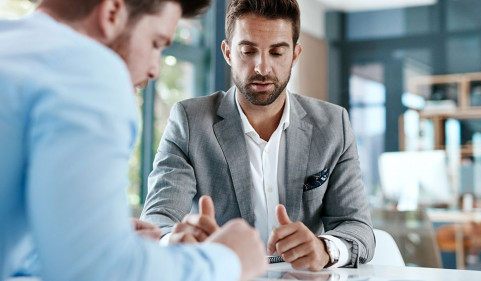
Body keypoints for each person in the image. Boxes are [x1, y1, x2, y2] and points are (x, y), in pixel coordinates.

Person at [0, 0, 267, 280]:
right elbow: (98, 272)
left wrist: (97, 236)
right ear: (112, 13)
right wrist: (228, 260)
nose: (155, 70)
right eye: (156, 43)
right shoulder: (85, 70)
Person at [141, 0, 375, 272]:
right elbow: (158, 217)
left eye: (277, 53)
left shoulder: (333, 125)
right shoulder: (190, 121)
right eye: (248, 51)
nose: (261, 68)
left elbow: (358, 227)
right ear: (228, 53)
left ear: (295, 55)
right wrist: (176, 240)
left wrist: (325, 249)